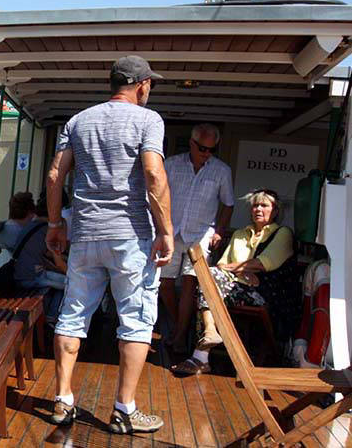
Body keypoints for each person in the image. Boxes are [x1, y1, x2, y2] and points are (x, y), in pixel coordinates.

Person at [46, 55, 173, 435]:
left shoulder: (77, 121)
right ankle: (124, 410)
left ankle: (62, 401)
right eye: (150, 84)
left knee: (72, 316)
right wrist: (165, 230)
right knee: (135, 321)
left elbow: (54, 175)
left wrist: (55, 224)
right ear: (142, 85)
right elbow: (153, 174)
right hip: (131, 237)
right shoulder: (148, 120)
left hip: (85, 233)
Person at [172, 189, 294, 375]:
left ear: (275, 210)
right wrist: (243, 271)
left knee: (209, 281)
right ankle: (209, 334)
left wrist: (238, 269)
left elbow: (263, 264)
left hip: (264, 293)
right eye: (255, 205)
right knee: (210, 278)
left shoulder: (282, 233)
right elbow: (221, 264)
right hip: (233, 287)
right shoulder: (240, 234)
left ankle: (201, 354)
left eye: (264, 205)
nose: (258, 209)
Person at [160, 123, 234, 353]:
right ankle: (179, 324)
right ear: (191, 143)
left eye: (212, 149)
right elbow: (157, 195)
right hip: (172, 231)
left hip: (201, 234)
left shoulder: (221, 170)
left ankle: (180, 336)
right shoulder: (171, 164)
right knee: (165, 284)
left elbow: (228, 203)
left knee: (190, 283)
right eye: (202, 148)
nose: (207, 153)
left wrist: (219, 230)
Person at [13, 191, 67, 321]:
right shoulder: (49, 230)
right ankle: (52, 317)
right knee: (71, 285)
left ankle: (51, 316)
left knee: (62, 281)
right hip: (31, 278)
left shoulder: (32, 225)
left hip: (21, 274)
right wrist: (76, 275)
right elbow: (59, 264)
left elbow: (43, 256)